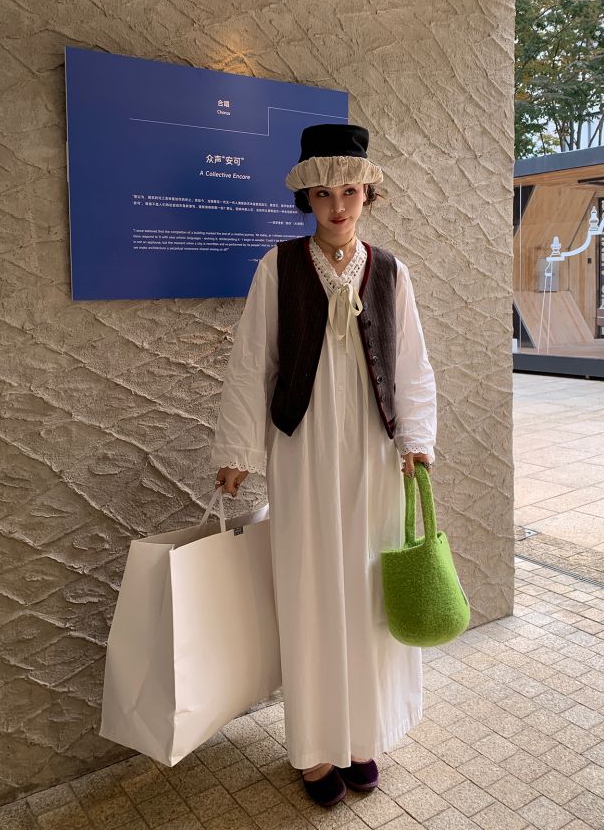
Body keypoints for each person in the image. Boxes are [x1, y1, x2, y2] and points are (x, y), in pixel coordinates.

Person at [210, 123, 437, 808]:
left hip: (374, 452)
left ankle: (362, 736)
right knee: (310, 588)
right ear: (307, 198)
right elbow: (252, 362)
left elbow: (412, 366)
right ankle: (314, 750)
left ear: (368, 194)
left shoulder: (391, 271)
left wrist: (415, 440)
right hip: (302, 448)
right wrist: (238, 450)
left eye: (350, 192)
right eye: (323, 194)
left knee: (368, 590)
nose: (338, 206)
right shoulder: (278, 267)